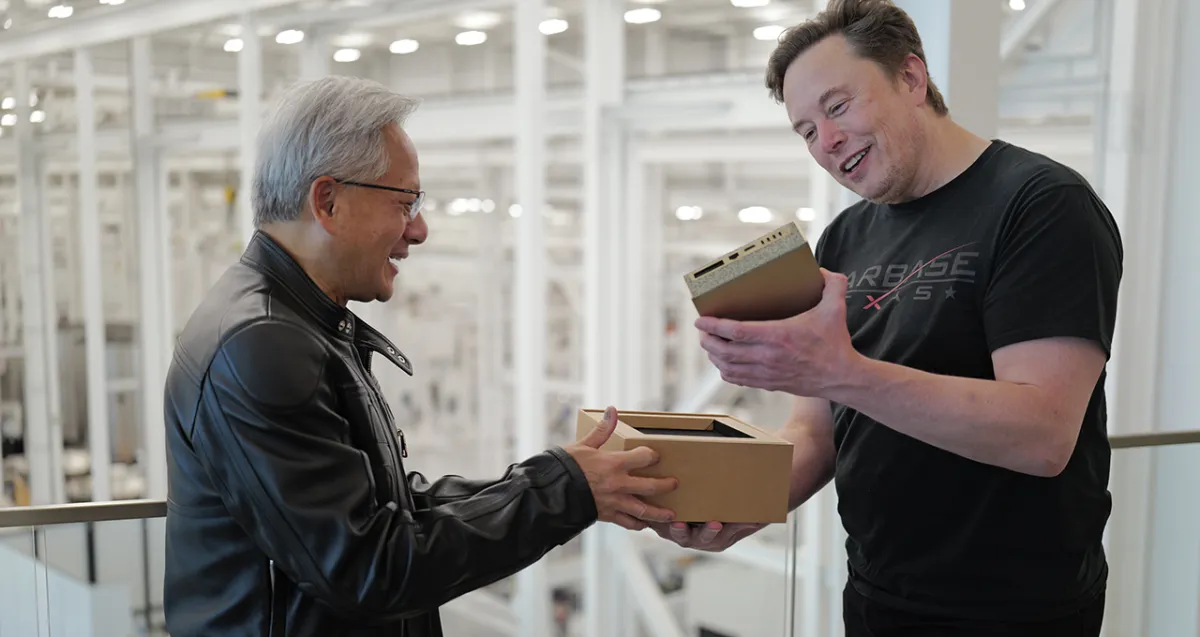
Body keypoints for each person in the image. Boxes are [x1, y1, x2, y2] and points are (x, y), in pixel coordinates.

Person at [651, 1, 1122, 635]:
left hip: (1015, 610)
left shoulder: (1041, 205)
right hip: (877, 594)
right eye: (806, 130)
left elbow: (1042, 436)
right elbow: (816, 430)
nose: (826, 141)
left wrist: (839, 372)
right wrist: (743, 504)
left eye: (838, 106)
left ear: (911, 77)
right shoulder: (844, 237)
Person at [161, 75, 679, 637]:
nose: (420, 230)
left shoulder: (295, 325)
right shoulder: (260, 344)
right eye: (405, 203)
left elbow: (387, 509)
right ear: (328, 202)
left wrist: (567, 481)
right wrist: (561, 491)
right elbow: (367, 567)